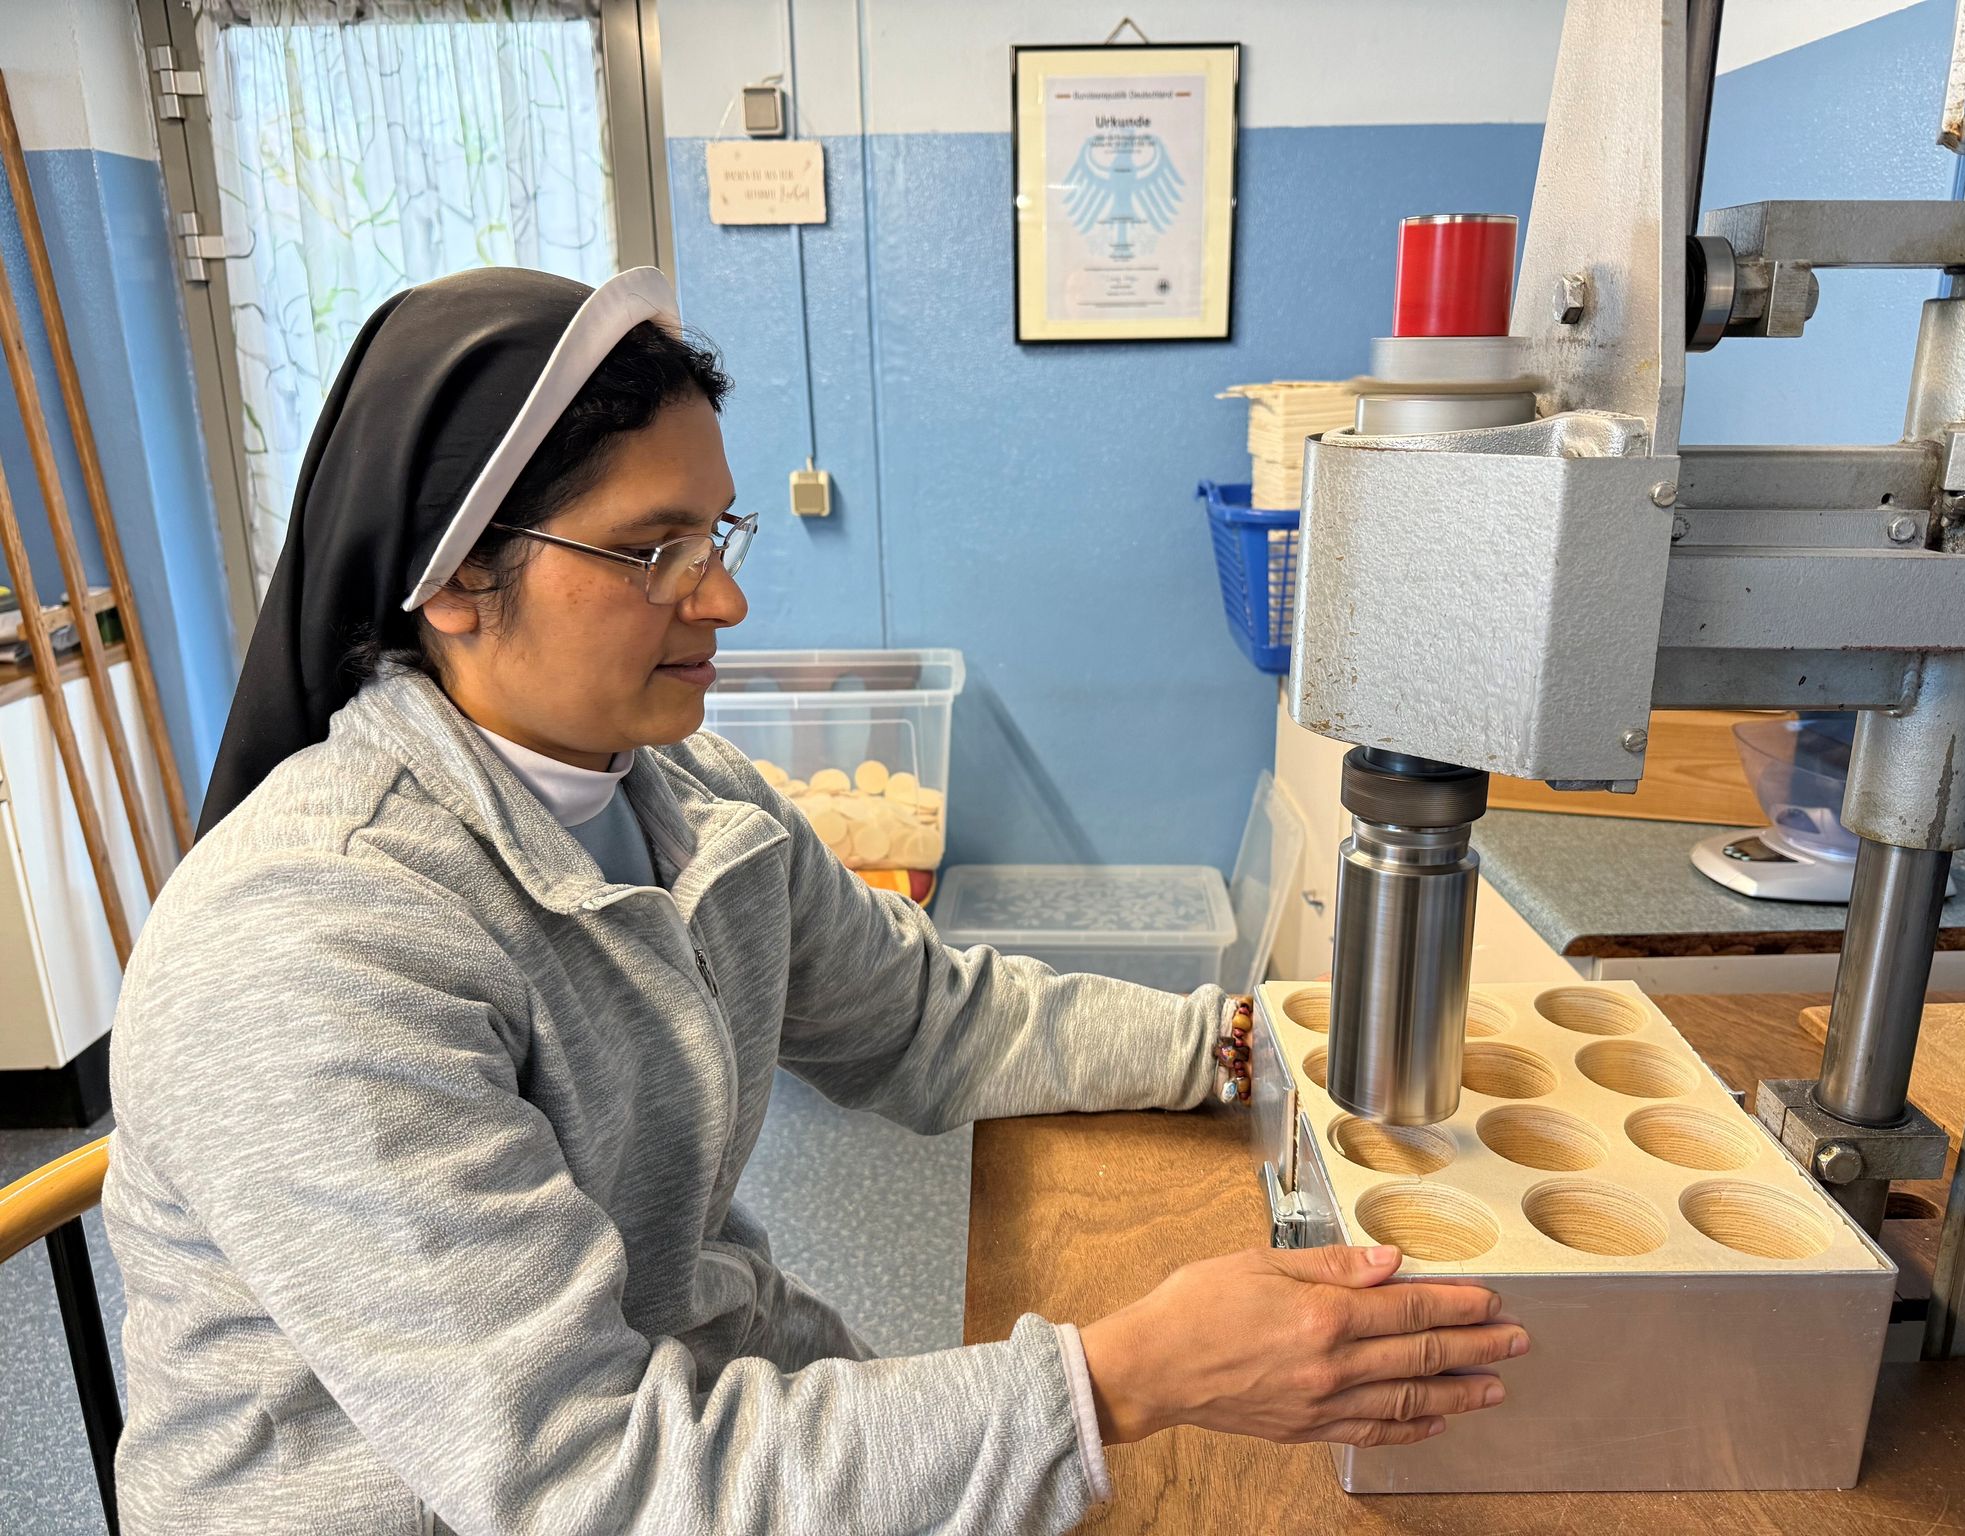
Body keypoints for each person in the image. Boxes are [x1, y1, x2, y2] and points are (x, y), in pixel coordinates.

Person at [103, 266, 1526, 1535]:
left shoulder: (686, 798)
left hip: (696, 1409)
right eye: (654, 550)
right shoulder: (315, 952)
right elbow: (586, 1484)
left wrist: (1226, 1044)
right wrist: (1119, 1381)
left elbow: (923, 1019)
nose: (723, 603)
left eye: (718, 536)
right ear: (460, 579)